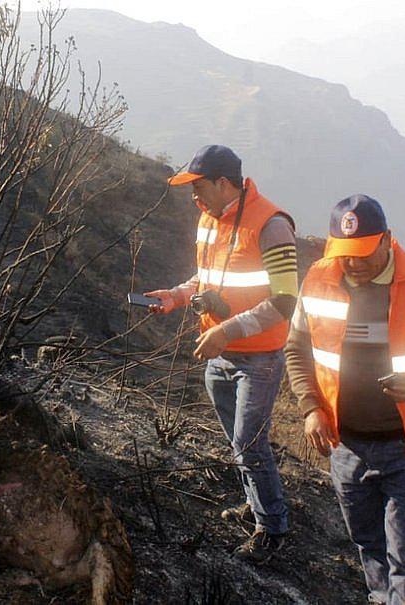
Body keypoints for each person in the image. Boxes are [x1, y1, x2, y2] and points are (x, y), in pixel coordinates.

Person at [285, 194, 405, 604]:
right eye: (344, 253)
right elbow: (296, 348)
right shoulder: (318, 279)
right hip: (346, 447)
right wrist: (310, 407)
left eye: (363, 252)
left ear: (387, 240)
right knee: (369, 544)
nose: (353, 263)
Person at [145, 144, 298, 562]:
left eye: (199, 186)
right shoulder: (208, 218)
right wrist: (177, 296)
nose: (194, 195)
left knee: (249, 442)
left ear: (224, 183)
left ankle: (272, 529)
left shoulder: (271, 225)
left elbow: (285, 301)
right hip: (219, 351)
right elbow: (207, 277)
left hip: (258, 357)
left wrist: (228, 329)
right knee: (238, 440)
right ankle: (256, 502)